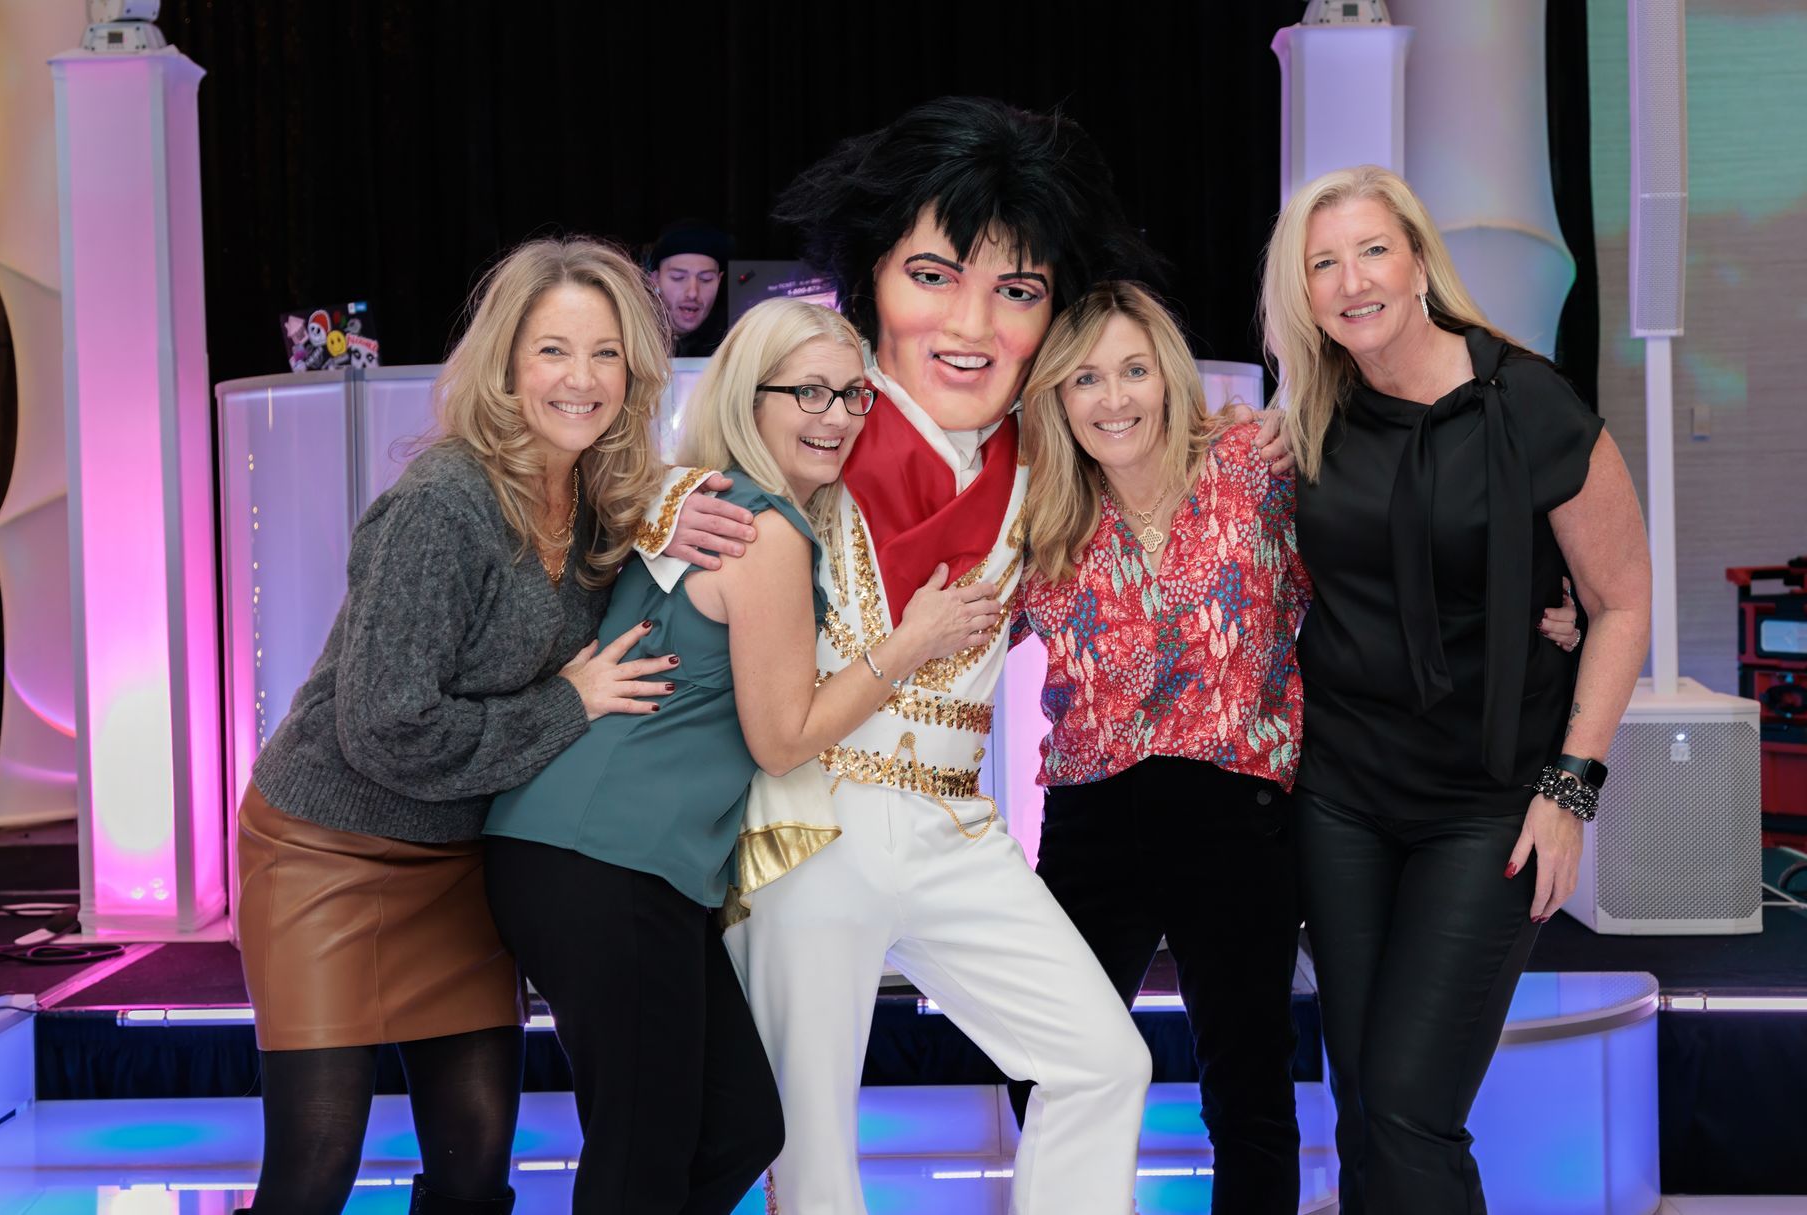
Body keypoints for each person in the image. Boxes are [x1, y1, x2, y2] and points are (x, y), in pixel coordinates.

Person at [637, 96, 1171, 1215]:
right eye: (933, 276)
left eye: (1017, 290)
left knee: (1106, 1062)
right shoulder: (814, 413)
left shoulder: (1047, 447)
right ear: (872, 276)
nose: (970, 323)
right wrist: (660, 512)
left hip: (954, 829)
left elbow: (1165, 468)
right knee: (811, 1148)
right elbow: (670, 475)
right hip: (806, 822)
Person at [480, 298, 997, 1215]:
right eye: (808, 392)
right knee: (643, 1158)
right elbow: (783, 737)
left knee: (738, 1127)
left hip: (610, 860)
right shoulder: (760, 528)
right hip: (604, 857)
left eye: (854, 395)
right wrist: (912, 643)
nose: (837, 416)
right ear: (748, 398)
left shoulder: (702, 501)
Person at [233, 236, 682, 1215]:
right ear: (506, 363)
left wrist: (675, 524)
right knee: (314, 1171)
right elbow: (386, 727)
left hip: (461, 862)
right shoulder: (442, 506)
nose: (581, 379)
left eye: (605, 353)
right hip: (327, 850)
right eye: (553, 350)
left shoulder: (598, 501)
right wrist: (567, 704)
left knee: (476, 1167)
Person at [1260, 164, 1651, 1213]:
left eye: (1372, 251)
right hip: (1341, 797)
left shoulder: (1529, 402)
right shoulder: (1312, 414)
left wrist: (1569, 792)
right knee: (1363, 1109)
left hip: (1489, 802)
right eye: (1323, 264)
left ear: (1419, 261)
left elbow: (1619, 602)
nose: (1352, 281)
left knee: (1406, 1106)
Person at [1010, 281, 1312, 1214]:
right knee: (1047, 1067)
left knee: (1248, 1087)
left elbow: (1382, 555)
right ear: (1057, 396)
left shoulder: (1255, 464)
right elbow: (940, 625)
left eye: (1134, 370)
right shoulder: (1040, 512)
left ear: (1169, 374)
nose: (1114, 398)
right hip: (1092, 817)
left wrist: (1544, 609)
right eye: (1086, 378)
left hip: (1234, 809)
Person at [649, 220, 733, 357]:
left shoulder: (733, 340)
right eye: (678, 277)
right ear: (655, 280)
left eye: (706, 279)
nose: (693, 293)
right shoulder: (631, 335)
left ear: (719, 280)